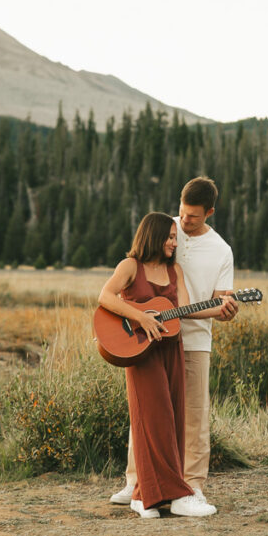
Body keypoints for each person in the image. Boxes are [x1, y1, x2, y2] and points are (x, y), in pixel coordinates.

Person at [109, 176, 236, 511]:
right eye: (182, 212)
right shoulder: (166, 229)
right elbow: (138, 270)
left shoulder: (222, 251)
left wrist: (225, 311)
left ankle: (191, 485)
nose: (184, 222)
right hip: (152, 340)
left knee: (193, 415)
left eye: (193, 216)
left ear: (209, 212)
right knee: (147, 411)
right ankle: (136, 482)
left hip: (194, 339)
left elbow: (220, 300)